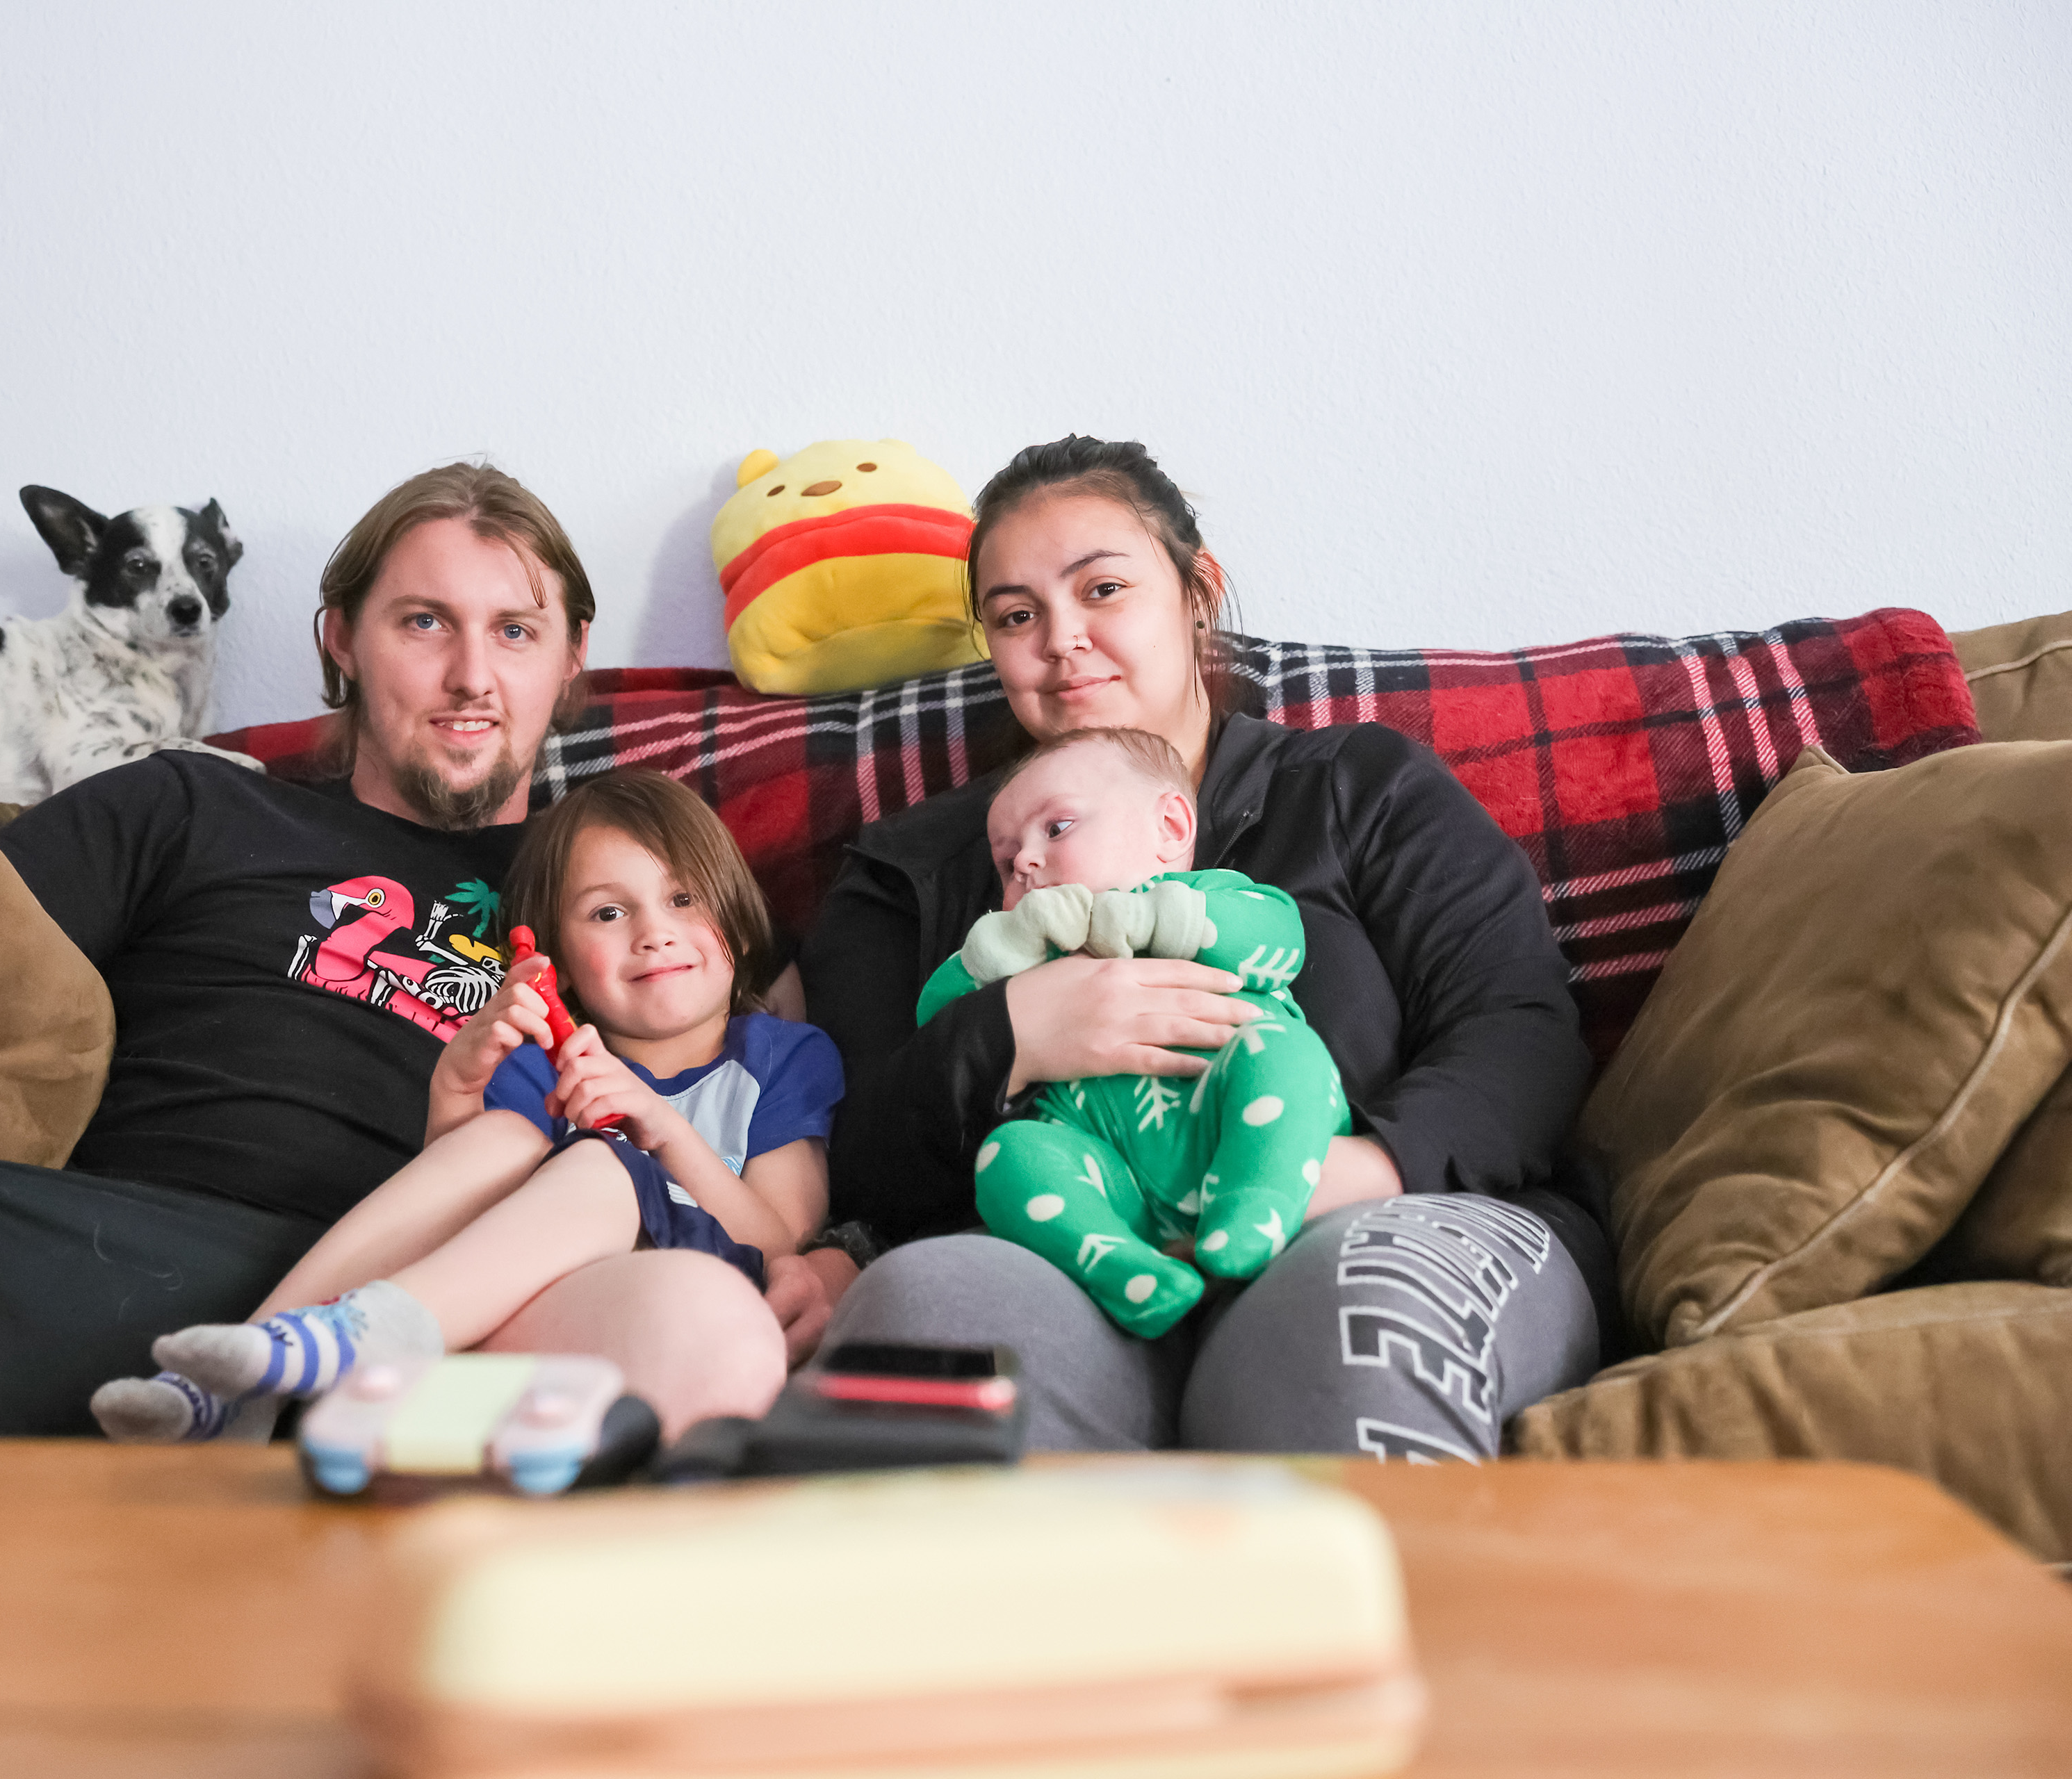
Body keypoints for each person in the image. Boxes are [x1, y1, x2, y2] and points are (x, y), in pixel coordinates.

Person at [0, 465, 792, 1441]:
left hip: (448, 1305)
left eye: (515, 631)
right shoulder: (192, 804)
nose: (473, 676)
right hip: (116, 1253)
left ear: (571, 654)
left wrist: (819, 1254)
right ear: (341, 641)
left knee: (709, 1331)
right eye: (424, 622)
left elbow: (775, 1049)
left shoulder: (617, 875)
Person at [792, 435, 1608, 1461]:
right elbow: (851, 1152)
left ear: (1196, 592)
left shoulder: (1357, 788)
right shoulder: (909, 873)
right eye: (1015, 615)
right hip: (1075, 1263)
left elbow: (1522, 1036)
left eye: (1102, 589)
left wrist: (1336, 1173)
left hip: (1378, 1217)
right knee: (928, 1311)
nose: (1060, 640)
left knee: (1353, 1321)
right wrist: (1016, 1034)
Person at [90, 770, 841, 1441]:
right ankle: (237, 1377)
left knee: (604, 1166)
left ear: (739, 925)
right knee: (508, 1142)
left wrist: (663, 1127)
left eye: (683, 898)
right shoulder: (546, 1061)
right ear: (560, 962)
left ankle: (354, 1339)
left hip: (680, 1298)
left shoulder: (782, 1055)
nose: (654, 933)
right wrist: (453, 1096)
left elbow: (778, 1242)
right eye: (608, 914)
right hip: (526, 1311)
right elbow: (455, 1201)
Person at [927, 726, 1344, 1339]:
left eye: (1057, 828)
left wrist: (1162, 917)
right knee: (1010, 1157)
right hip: (1108, 1172)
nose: (1023, 862)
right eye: (1005, 860)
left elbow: (1282, 943)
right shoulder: (1031, 956)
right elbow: (934, 1021)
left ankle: (1257, 1205)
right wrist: (1006, 949)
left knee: (1288, 1054)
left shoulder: (1205, 897)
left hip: (1228, 1114)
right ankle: (1125, 1267)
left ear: (1171, 829)